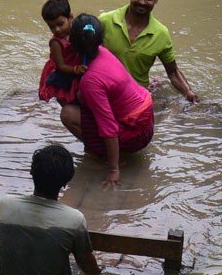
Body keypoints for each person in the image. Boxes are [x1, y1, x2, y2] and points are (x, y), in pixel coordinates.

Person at [0, 144, 101, 275]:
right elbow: (89, 268)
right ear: (66, 182)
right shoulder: (74, 220)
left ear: (31, 173)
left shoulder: (5, 205)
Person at [60, 14, 155, 187]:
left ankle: (107, 157)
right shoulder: (104, 52)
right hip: (147, 119)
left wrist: (113, 169)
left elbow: (109, 128)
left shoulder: (91, 81)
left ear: (72, 44)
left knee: (67, 114)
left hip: (137, 135)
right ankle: (105, 151)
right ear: (100, 40)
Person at [99, 0, 200, 102]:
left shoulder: (161, 33)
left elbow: (173, 72)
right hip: (105, 91)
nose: (142, 2)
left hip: (137, 96)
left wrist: (189, 93)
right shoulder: (105, 21)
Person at [38, 0, 87, 105]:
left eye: (60, 24)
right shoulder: (56, 43)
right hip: (63, 72)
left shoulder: (76, 31)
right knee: (67, 100)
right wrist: (75, 69)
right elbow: (61, 66)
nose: (57, 30)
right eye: (52, 27)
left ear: (70, 18)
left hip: (74, 67)